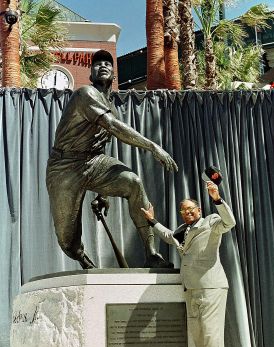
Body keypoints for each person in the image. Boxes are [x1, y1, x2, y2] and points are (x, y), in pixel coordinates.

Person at [46, 50, 178, 269]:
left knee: (133, 183)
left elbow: (99, 144)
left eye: (108, 63)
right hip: (65, 166)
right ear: (90, 74)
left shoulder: (111, 106)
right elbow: (114, 127)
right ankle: (86, 264)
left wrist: (102, 190)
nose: (103, 66)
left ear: (114, 76)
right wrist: (153, 146)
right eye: (97, 64)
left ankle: (152, 253)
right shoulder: (85, 94)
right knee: (67, 242)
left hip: (94, 162)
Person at [141, 181, 236, 347]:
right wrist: (152, 220)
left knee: (211, 333)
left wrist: (217, 199)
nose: (187, 213)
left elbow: (230, 222)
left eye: (190, 209)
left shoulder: (211, 222)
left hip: (210, 287)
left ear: (199, 210)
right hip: (190, 289)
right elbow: (168, 237)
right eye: (183, 210)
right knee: (199, 335)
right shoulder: (182, 230)